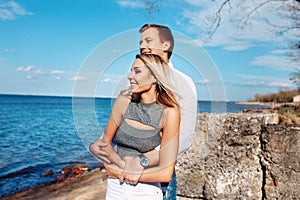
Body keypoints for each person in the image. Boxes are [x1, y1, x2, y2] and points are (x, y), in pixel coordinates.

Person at [90, 24, 198, 199]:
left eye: (148, 40)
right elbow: (117, 128)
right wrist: (113, 157)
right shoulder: (134, 83)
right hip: (122, 177)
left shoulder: (183, 83)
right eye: (141, 42)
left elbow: (184, 137)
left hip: (157, 177)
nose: (142, 45)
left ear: (166, 45)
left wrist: (142, 161)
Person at [98, 53, 180, 199]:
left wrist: (121, 172)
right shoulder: (123, 102)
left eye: (137, 71)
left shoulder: (169, 113)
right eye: (131, 71)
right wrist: (118, 165)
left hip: (145, 191)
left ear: (155, 77)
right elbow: (104, 144)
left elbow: (166, 173)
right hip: (115, 190)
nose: (130, 76)